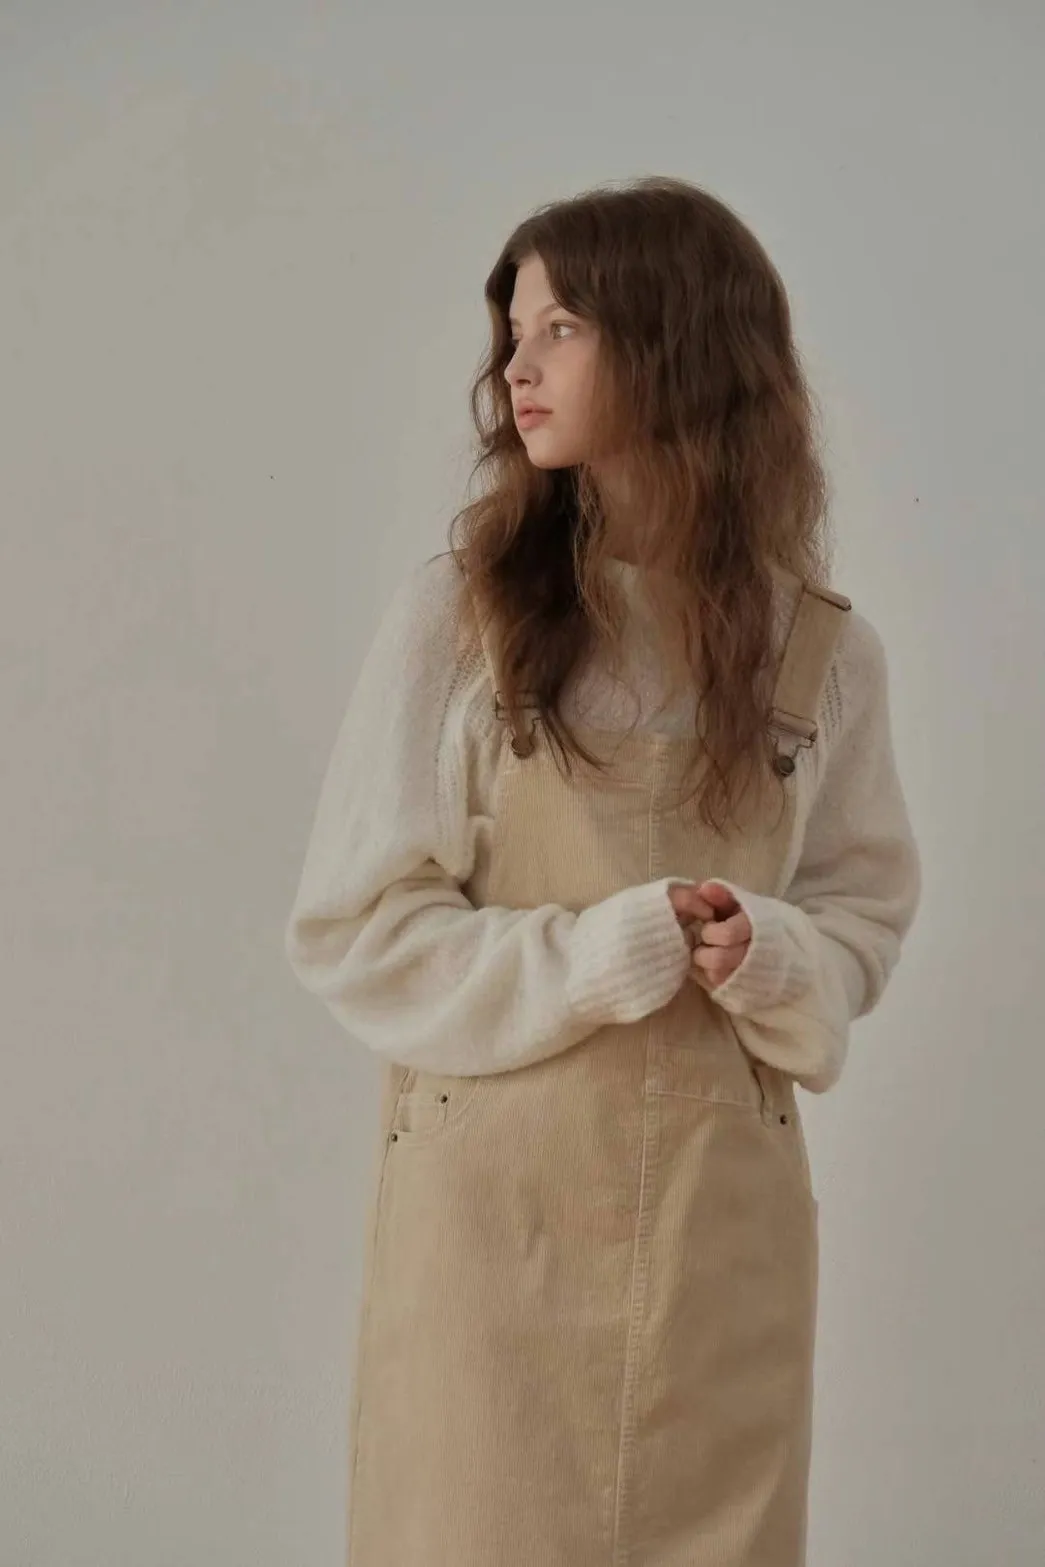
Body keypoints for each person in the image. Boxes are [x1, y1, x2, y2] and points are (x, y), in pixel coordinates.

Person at [284, 175, 921, 1567]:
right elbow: (355, 928)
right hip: (490, 1244)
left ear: (677, 339)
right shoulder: (463, 619)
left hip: (719, 1246)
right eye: (514, 332)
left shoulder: (821, 655)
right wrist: (598, 953)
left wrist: (774, 952)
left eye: (562, 327)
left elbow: (863, 917)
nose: (516, 367)